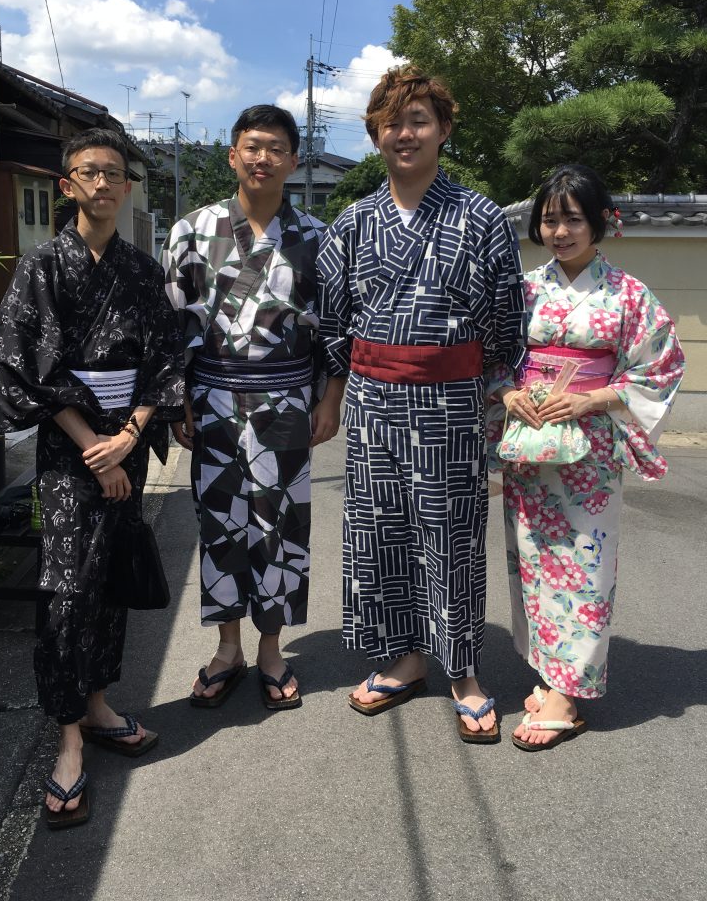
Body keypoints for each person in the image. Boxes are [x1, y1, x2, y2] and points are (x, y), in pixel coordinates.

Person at [315, 65, 526, 741]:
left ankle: (462, 669)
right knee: (380, 533)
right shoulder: (352, 223)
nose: (404, 133)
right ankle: (403, 658)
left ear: (443, 130)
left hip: (452, 403)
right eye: (392, 122)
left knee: (451, 533)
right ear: (374, 133)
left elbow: (506, 320)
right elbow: (332, 323)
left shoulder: (481, 217)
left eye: (419, 120)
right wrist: (337, 394)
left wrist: (491, 391)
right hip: (373, 402)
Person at [0, 128, 184, 828]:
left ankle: (98, 704)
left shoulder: (142, 272)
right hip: (68, 446)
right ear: (67, 184)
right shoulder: (41, 266)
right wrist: (93, 445)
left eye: (113, 173)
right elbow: (17, 360)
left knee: (108, 580)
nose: (102, 183)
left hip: (123, 440)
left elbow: (166, 359)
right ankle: (68, 738)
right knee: (67, 587)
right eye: (89, 172)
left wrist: (127, 437)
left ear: (127, 187)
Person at [492, 164, 684, 750]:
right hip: (532, 443)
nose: (559, 231)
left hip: (590, 450)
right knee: (533, 556)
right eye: (549, 220)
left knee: (584, 561)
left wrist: (594, 398)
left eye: (573, 219)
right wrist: (508, 392)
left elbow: (662, 365)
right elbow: (495, 356)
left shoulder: (628, 294)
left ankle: (567, 692)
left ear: (601, 221)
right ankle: (551, 672)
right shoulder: (523, 289)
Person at [162, 105, 343, 711]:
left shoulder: (318, 238)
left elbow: (335, 328)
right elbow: (172, 323)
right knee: (219, 522)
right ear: (233, 154)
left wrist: (331, 397)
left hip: (287, 399)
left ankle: (271, 649)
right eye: (252, 146)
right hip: (212, 396)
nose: (263, 158)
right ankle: (227, 648)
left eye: (276, 148)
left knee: (280, 525)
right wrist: (177, 400)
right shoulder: (192, 230)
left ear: (294, 160)